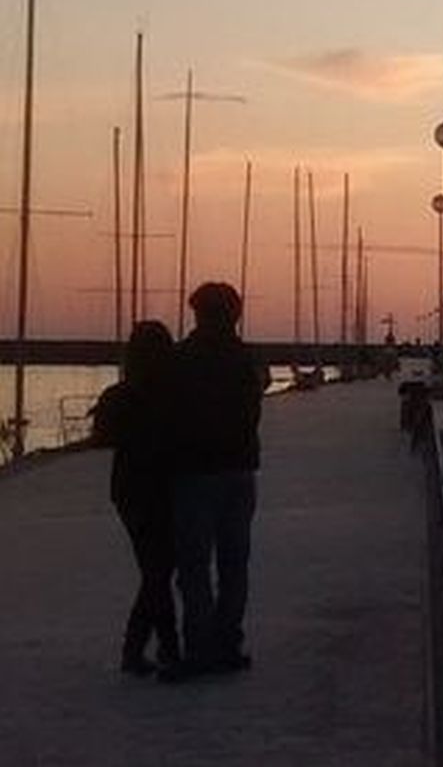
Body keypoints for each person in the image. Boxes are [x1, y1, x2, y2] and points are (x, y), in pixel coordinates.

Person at [163, 282, 266, 682]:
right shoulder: (246, 359)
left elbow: (167, 413)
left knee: (193, 565)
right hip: (239, 471)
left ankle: (199, 648)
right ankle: (227, 643)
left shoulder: (182, 358)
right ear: (235, 315)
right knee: (233, 563)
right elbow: (256, 400)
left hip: (194, 473)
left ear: (197, 313)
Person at [90, 321, 181, 676]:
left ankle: (144, 648)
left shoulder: (121, 394)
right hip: (160, 489)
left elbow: (102, 439)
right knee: (158, 571)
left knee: (154, 571)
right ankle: (164, 649)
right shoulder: (170, 393)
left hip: (130, 490)